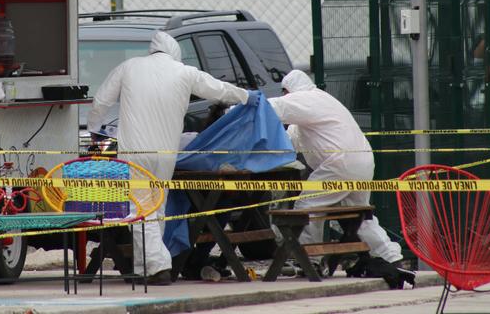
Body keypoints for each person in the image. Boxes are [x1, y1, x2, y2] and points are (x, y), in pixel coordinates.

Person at [86, 31, 257, 285]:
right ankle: (147, 268)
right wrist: (248, 97)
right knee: (157, 206)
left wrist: (94, 129)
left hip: (135, 152)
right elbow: (219, 90)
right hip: (166, 154)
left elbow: (101, 101)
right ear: (174, 51)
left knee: (139, 207)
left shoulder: (129, 67)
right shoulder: (185, 72)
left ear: (152, 49)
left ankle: (158, 266)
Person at [267, 69, 406, 272]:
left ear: (289, 90)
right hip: (363, 162)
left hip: (340, 163)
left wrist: (237, 106)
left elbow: (272, 108)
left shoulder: (306, 99)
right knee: (361, 214)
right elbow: (291, 141)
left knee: (307, 206)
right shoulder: (320, 105)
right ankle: (392, 258)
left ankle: (309, 259)